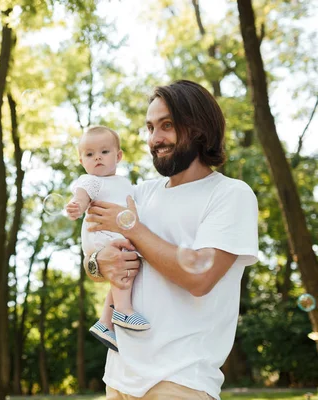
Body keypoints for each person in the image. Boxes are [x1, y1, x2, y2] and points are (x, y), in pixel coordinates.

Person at [83, 80, 258, 400]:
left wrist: (133, 228)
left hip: (181, 382)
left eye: (167, 126)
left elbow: (200, 278)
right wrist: (97, 262)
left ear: (199, 129)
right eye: (150, 127)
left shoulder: (230, 195)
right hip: (119, 379)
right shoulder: (138, 194)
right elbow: (98, 264)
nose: (155, 138)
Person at [65, 126, 150, 352]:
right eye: (90, 154)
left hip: (115, 233)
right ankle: (123, 311)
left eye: (104, 151)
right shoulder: (91, 180)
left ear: (118, 156)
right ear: (82, 160)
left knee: (122, 266)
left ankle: (105, 323)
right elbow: (81, 196)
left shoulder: (123, 182)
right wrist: (77, 206)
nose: (98, 158)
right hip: (101, 236)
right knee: (125, 264)